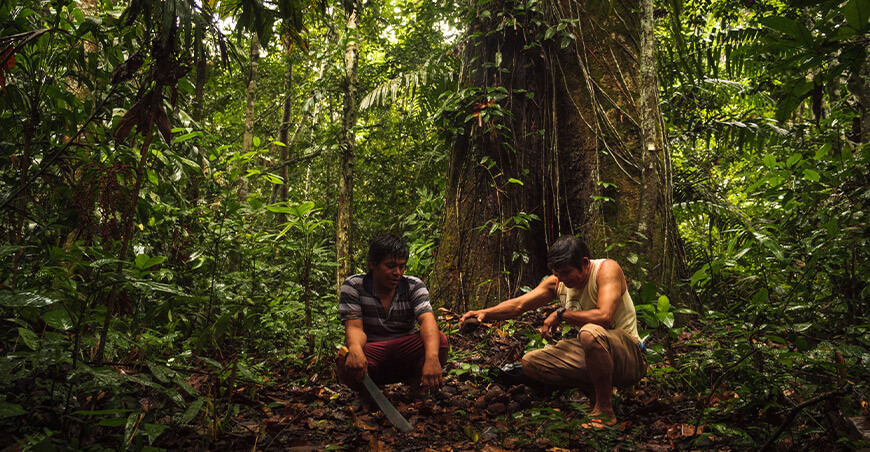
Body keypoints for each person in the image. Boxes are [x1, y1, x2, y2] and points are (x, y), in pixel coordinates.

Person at [460, 235, 646, 428]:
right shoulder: (558, 282)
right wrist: (483, 313)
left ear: (584, 263)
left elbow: (604, 317)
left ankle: (605, 411)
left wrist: (561, 314)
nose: (563, 279)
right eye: (558, 274)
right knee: (531, 363)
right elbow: (518, 305)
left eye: (567, 272)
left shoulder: (606, 270)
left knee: (590, 332)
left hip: (629, 355)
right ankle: (595, 391)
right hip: (595, 351)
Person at [337, 233, 448, 402]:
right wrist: (355, 349)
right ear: (372, 264)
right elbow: (354, 327)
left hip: (405, 351)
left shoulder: (413, 285)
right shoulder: (354, 286)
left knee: (439, 341)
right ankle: (368, 393)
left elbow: (427, 319)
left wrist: (432, 358)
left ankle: (418, 387)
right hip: (373, 355)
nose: (397, 272)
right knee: (345, 359)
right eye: (390, 266)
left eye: (402, 267)